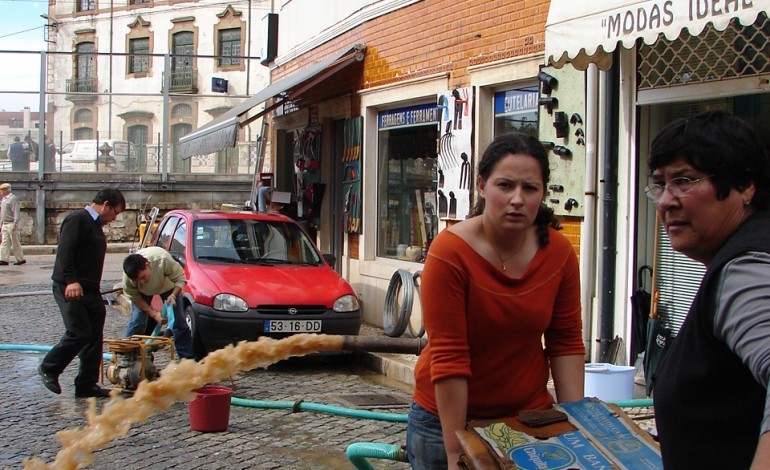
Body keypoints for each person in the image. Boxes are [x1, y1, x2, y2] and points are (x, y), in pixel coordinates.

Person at [406, 133, 585, 469]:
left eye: (530, 188)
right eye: (505, 185)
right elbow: (450, 357)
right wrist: (456, 449)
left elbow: (565, 341)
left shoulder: (559, 253)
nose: (517, 199)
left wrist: (577, 425)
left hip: (527, 417)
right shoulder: (450, 253)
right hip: (443, 420)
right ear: (482, 186)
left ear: (543, 193)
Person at [648, 110, 770, 469]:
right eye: (659, 184)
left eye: (684, 180)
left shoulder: (745, 268)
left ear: (745, 185)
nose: (666, 201)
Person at [38, 188, 126, 398]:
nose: (114, 218)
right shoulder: (78, 219)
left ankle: (86, 384)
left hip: (90, 289)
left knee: (94, 337)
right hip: (70, 287)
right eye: (115, 212)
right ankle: (50, 367)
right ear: (105, 204)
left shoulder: (96, 225)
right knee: (79, 332)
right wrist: (71, 280)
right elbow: (65, 251)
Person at [122, 246, 195, 359]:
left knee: (178, 322)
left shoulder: (162, 260)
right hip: (142, 293)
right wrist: (154, 314)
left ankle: (187, 358)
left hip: (168, 286)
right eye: (137, 280)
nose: (141, 282)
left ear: (148, 265)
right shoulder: (128, 279)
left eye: (143, 277)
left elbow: (180, 278)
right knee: (137, 321)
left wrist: (173, 295)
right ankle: (129, 356)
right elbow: (135, 297)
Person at [0, 183, 25, 266]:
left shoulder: (13, 199)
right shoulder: (3, 199)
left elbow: (16, 212)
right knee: (5, 242)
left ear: (6, 190)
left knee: (15, 242)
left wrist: (15, 223)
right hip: (5, 223)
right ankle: (3, 259)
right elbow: (2, 213)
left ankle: (20, 259)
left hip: (11, 223)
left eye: (2, 190)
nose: (1, 192)